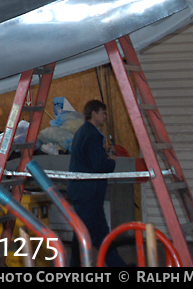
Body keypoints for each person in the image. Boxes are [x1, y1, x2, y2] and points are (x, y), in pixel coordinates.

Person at [67, 100, 125, 267]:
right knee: (86, 235)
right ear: (93, 113)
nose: (105, 117)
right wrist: (111, 161)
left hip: (86, 193)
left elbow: (90, 159)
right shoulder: (92, 135)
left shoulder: (83, 132)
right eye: (103, 113)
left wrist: (101, 154)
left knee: (94, 234)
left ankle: (118, 265)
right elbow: (98, 166)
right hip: (89, 194)